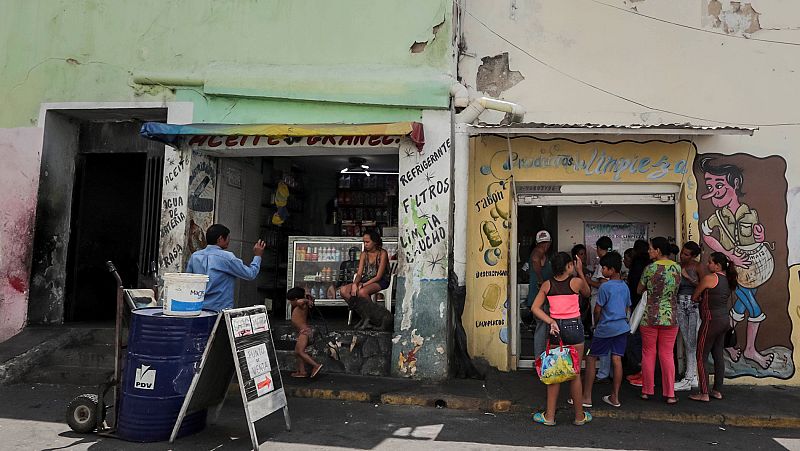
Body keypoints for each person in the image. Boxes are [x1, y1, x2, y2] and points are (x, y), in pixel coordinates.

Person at [699, 157, 773, 369]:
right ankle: (750, 350)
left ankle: (728, 345)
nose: (713, 191)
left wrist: (760, 236)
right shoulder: (717, 216)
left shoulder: (750, 213)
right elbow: (706, 233)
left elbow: (756, 238)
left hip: (754, 268)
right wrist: (728, 255)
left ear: (736, 184)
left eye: (719, 185)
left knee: (739, 307)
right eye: (710, 186)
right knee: (754, 309)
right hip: (733, 271)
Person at [531, 252, 592, 426]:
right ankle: (579, 417)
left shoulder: (547, 285)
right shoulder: (576, 282)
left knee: (555, 372)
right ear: (569, 266)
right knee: (575, 373)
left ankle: (549, 417)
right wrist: (581, 271)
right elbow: (587, 293)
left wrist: (551, 321)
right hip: (574, 327)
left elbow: (535, 308)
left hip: (556, 329)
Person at [580, 252, 630, 408]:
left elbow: (597, 309)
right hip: (622, 327)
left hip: (606, 327)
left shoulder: (605, 287)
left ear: (612, 269)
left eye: (604, 268)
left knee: (591, 358)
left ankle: (586, 397)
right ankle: (615, 397)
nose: (602, 271)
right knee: (617, 359)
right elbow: (627, 307)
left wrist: (596, 324)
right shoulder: (625, 286)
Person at [637, 237, 681, 404]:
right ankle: (670, 393)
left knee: (648, 352)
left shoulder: (650, 268)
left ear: (658, 251)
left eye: (651, 248)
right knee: (667, 354)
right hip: (670, 316)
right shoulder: (677, 267)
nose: (649, 251)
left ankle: (647, 391)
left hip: (650, 315)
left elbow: (639, 289)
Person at [689, 253, 737, 402]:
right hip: (723, 321)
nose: (707, 265)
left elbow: (694, 296)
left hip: (710, 321)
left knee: (701, 356)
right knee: (718, 355)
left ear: (717, 266)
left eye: (710, 262)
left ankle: (704, 393)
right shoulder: (728, 279)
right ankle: (717, 390)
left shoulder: (710, 278)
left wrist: (700, 296)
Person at [186, 224, 264, 312]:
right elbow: (250, 274)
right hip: (219, 311)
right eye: (227, 238)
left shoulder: (195, 256)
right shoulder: (227, 258)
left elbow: (188, 281)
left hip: (197, 309)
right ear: (220, 239)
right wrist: (258, 256)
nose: (229, 241)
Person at [674, 241, 703, 392]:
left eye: (686, 254)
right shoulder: (677, 266)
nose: (682, 256)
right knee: (687, 340)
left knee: (691, 341)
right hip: (680, 303)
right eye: (682, 252)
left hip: (692, 305)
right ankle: (692, 376)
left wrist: (688, 278)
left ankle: (690, 377)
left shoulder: (698, 267)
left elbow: (703, 285)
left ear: (693, 256)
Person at [625, 239, 650, 385]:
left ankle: (641, 370)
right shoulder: (650, 264)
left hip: (639, 305)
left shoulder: (639, 265)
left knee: (636, 338)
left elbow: (638, 288)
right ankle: (644, 372)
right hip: (653, 309)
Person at [341, 230, 389, 302]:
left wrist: (363, 285)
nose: (365, 244)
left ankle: (370, 309)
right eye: (364, 242)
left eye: (367, 242)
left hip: (381, 281)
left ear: (375, 242)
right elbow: (359, 274)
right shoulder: (364, 254)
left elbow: (378, 277)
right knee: (343, 290)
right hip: (367, 279)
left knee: (362, 292)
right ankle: (358, 307)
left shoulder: (382, 253)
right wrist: (355, 284)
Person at [588, 237, 612, 381]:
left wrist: (587, 280)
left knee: (601, 336)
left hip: (599, 300)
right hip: (610, 306)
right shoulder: (613, 261)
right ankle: (607, 371)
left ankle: (603, 372)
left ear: (599, 248)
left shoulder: (604, 263)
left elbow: (602, 284)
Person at [527, 231, 554, 358]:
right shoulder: (538, 252)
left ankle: (543, 357)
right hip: (540, 299)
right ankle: (539, 358)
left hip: (541, 297)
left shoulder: (541, 252)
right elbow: (535, 258)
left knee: (544, 328)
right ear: (549, 243)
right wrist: (540, 280)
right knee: (542, 328)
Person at [287, 287, 323, 378]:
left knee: (300, 351)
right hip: (302, 332)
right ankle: (302, 371)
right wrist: (308, 297)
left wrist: (307, 300)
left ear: (295, 299)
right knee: (297, 352)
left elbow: (300, 301)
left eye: (291, 301)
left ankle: (316, 365)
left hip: (304, 333)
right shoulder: (301, 305)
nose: (290, 303)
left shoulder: (301, 305)